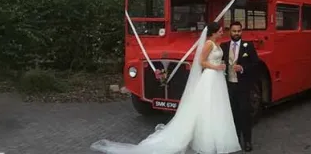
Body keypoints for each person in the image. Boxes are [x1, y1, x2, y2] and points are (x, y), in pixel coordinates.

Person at [90, 22, 241, 154]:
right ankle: (207, 140)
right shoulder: (209, 44)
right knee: (208, 107)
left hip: (217, 78)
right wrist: (216, 66)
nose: (223, 31)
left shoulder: (218, 44)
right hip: (211, 75)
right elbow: (201, 61)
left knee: (217, 107)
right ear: (214, 32)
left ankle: (217, 137)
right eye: (220, 30)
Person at [221, 21, 261, 152]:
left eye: (239, 31)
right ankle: (236, 140)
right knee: (233, 114)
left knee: (245, 113)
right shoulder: (224, 46)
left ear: (241, 32)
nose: (236, 33)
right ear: (230, 32)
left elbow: (256, 64)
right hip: (229, 86)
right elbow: (220, 62)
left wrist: (243, 68)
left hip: (243, 86)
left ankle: (247, 141)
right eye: (234, 31)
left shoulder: (248, 46)